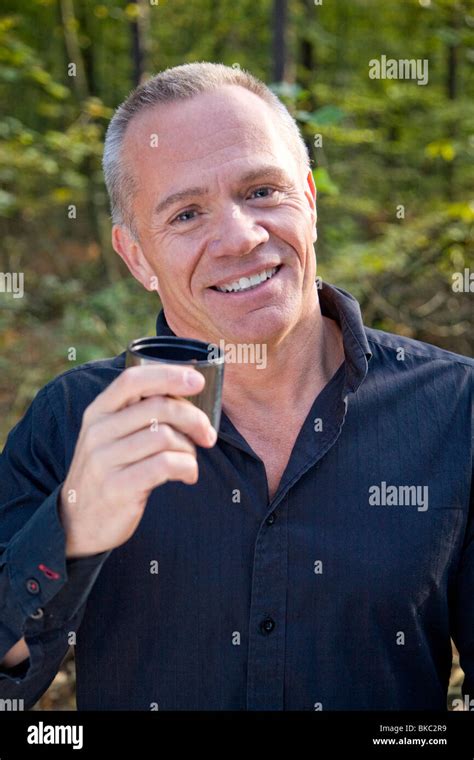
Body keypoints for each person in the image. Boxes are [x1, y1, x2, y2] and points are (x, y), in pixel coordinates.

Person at [0, 62, 472, 711]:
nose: (242, 237)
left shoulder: (455, 410)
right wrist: (69, 529)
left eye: (260, 192)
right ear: (136, 255)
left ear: (309, 198)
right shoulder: (69, 421)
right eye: (188, 213)